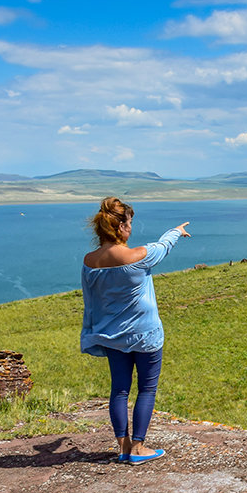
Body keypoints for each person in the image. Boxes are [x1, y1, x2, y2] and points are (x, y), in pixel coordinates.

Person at [80, 197, 190, 465]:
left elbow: (90, 299)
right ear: (120, 227)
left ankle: (123, 446)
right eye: (129, 223)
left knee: (119, 390)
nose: (131, 229)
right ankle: (138, 449)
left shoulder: (90, 261)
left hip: (112, 336)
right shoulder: (137, 256)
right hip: (146, 334)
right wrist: (177, 231)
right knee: (147, 389)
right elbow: (163, 247)